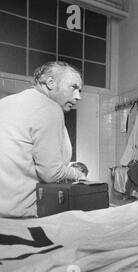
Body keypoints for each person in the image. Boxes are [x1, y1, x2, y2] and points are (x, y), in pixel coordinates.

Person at [0, 61, 86, 218]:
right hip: (20, 214)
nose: (78, 96)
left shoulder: (5, 103)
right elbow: (51, 173)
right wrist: (78, 174)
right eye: (73, 87)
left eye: (80, 90)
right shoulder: (49, 108)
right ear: (51, 83)